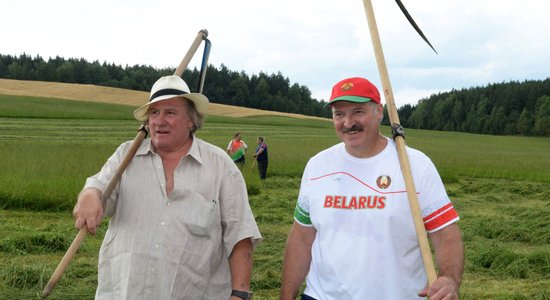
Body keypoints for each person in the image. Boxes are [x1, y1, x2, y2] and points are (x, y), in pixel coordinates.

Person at [73, 75, 262, 300]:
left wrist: (239, 294)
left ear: (191, 120)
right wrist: (89, 195)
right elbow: (99, 187)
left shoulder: (221, 167)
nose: (159, 121)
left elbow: (240, 235)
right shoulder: (126, 156)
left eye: (170, 112)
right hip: (125, 292)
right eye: (154, 113)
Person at [279, 77, 464, 300]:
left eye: (358, 112)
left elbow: (446, 235)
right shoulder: (318, 166)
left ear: (379, 111)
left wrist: (450, 279)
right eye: (339, 114)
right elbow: (301, 237)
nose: (348, 123)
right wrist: (286, 296)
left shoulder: (414, 166)